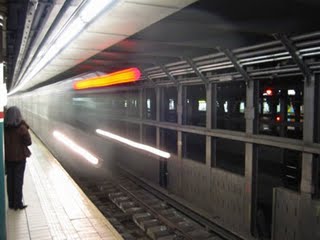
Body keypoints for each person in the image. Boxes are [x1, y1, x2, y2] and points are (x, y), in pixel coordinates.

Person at [4, 106, 32, 210]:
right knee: (18, 180)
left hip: (8, 158)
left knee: (10, 180)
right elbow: (29, 142)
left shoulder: (4, 128)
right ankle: (18, 203)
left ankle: (11, 203)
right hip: (20, 158)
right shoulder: (22, 127)